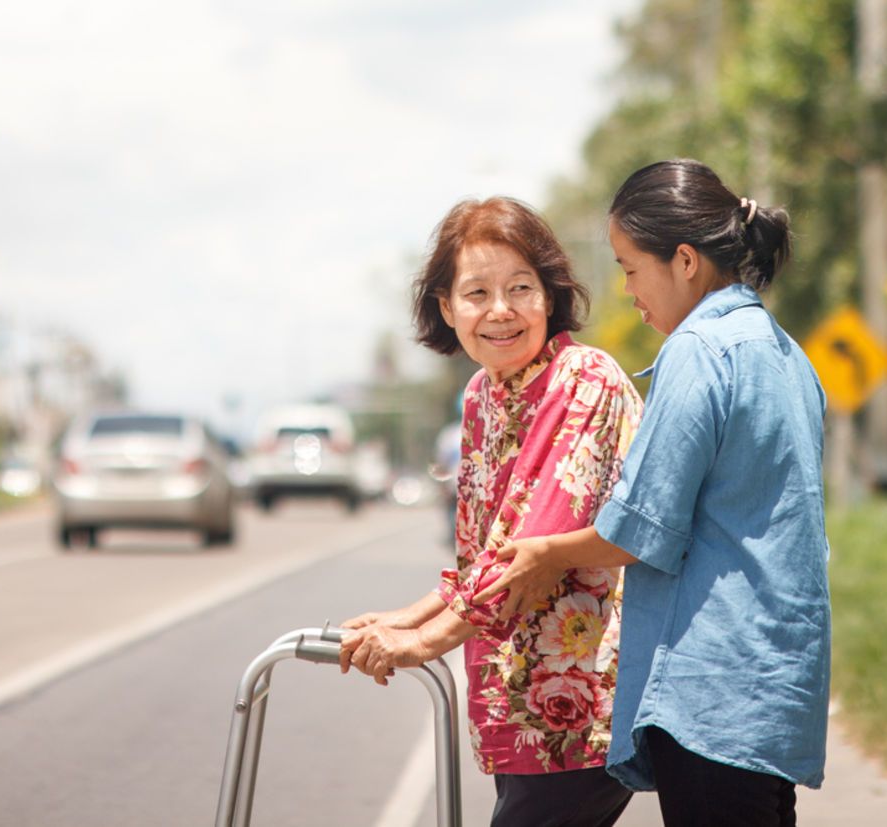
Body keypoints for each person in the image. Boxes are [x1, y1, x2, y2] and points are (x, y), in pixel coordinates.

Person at [474, 159, 831, 827]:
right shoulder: (785, 351)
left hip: (710, 689)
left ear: (686, 261)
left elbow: (639, 527)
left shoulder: (699, 350)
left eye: (632, 267)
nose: (629, 289)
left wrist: (544, 552)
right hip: (774, 682)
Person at [338, 196, 644, 826]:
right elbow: (483, 553)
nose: (500, 311)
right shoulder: (482, 393)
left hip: (585, 698)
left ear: (550, 297)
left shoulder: (583, 380)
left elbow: (528, 551)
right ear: (447, 309)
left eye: (520, 288)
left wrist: (423, 642)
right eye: (476, 293)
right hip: (512, 691)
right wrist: (405, 616)